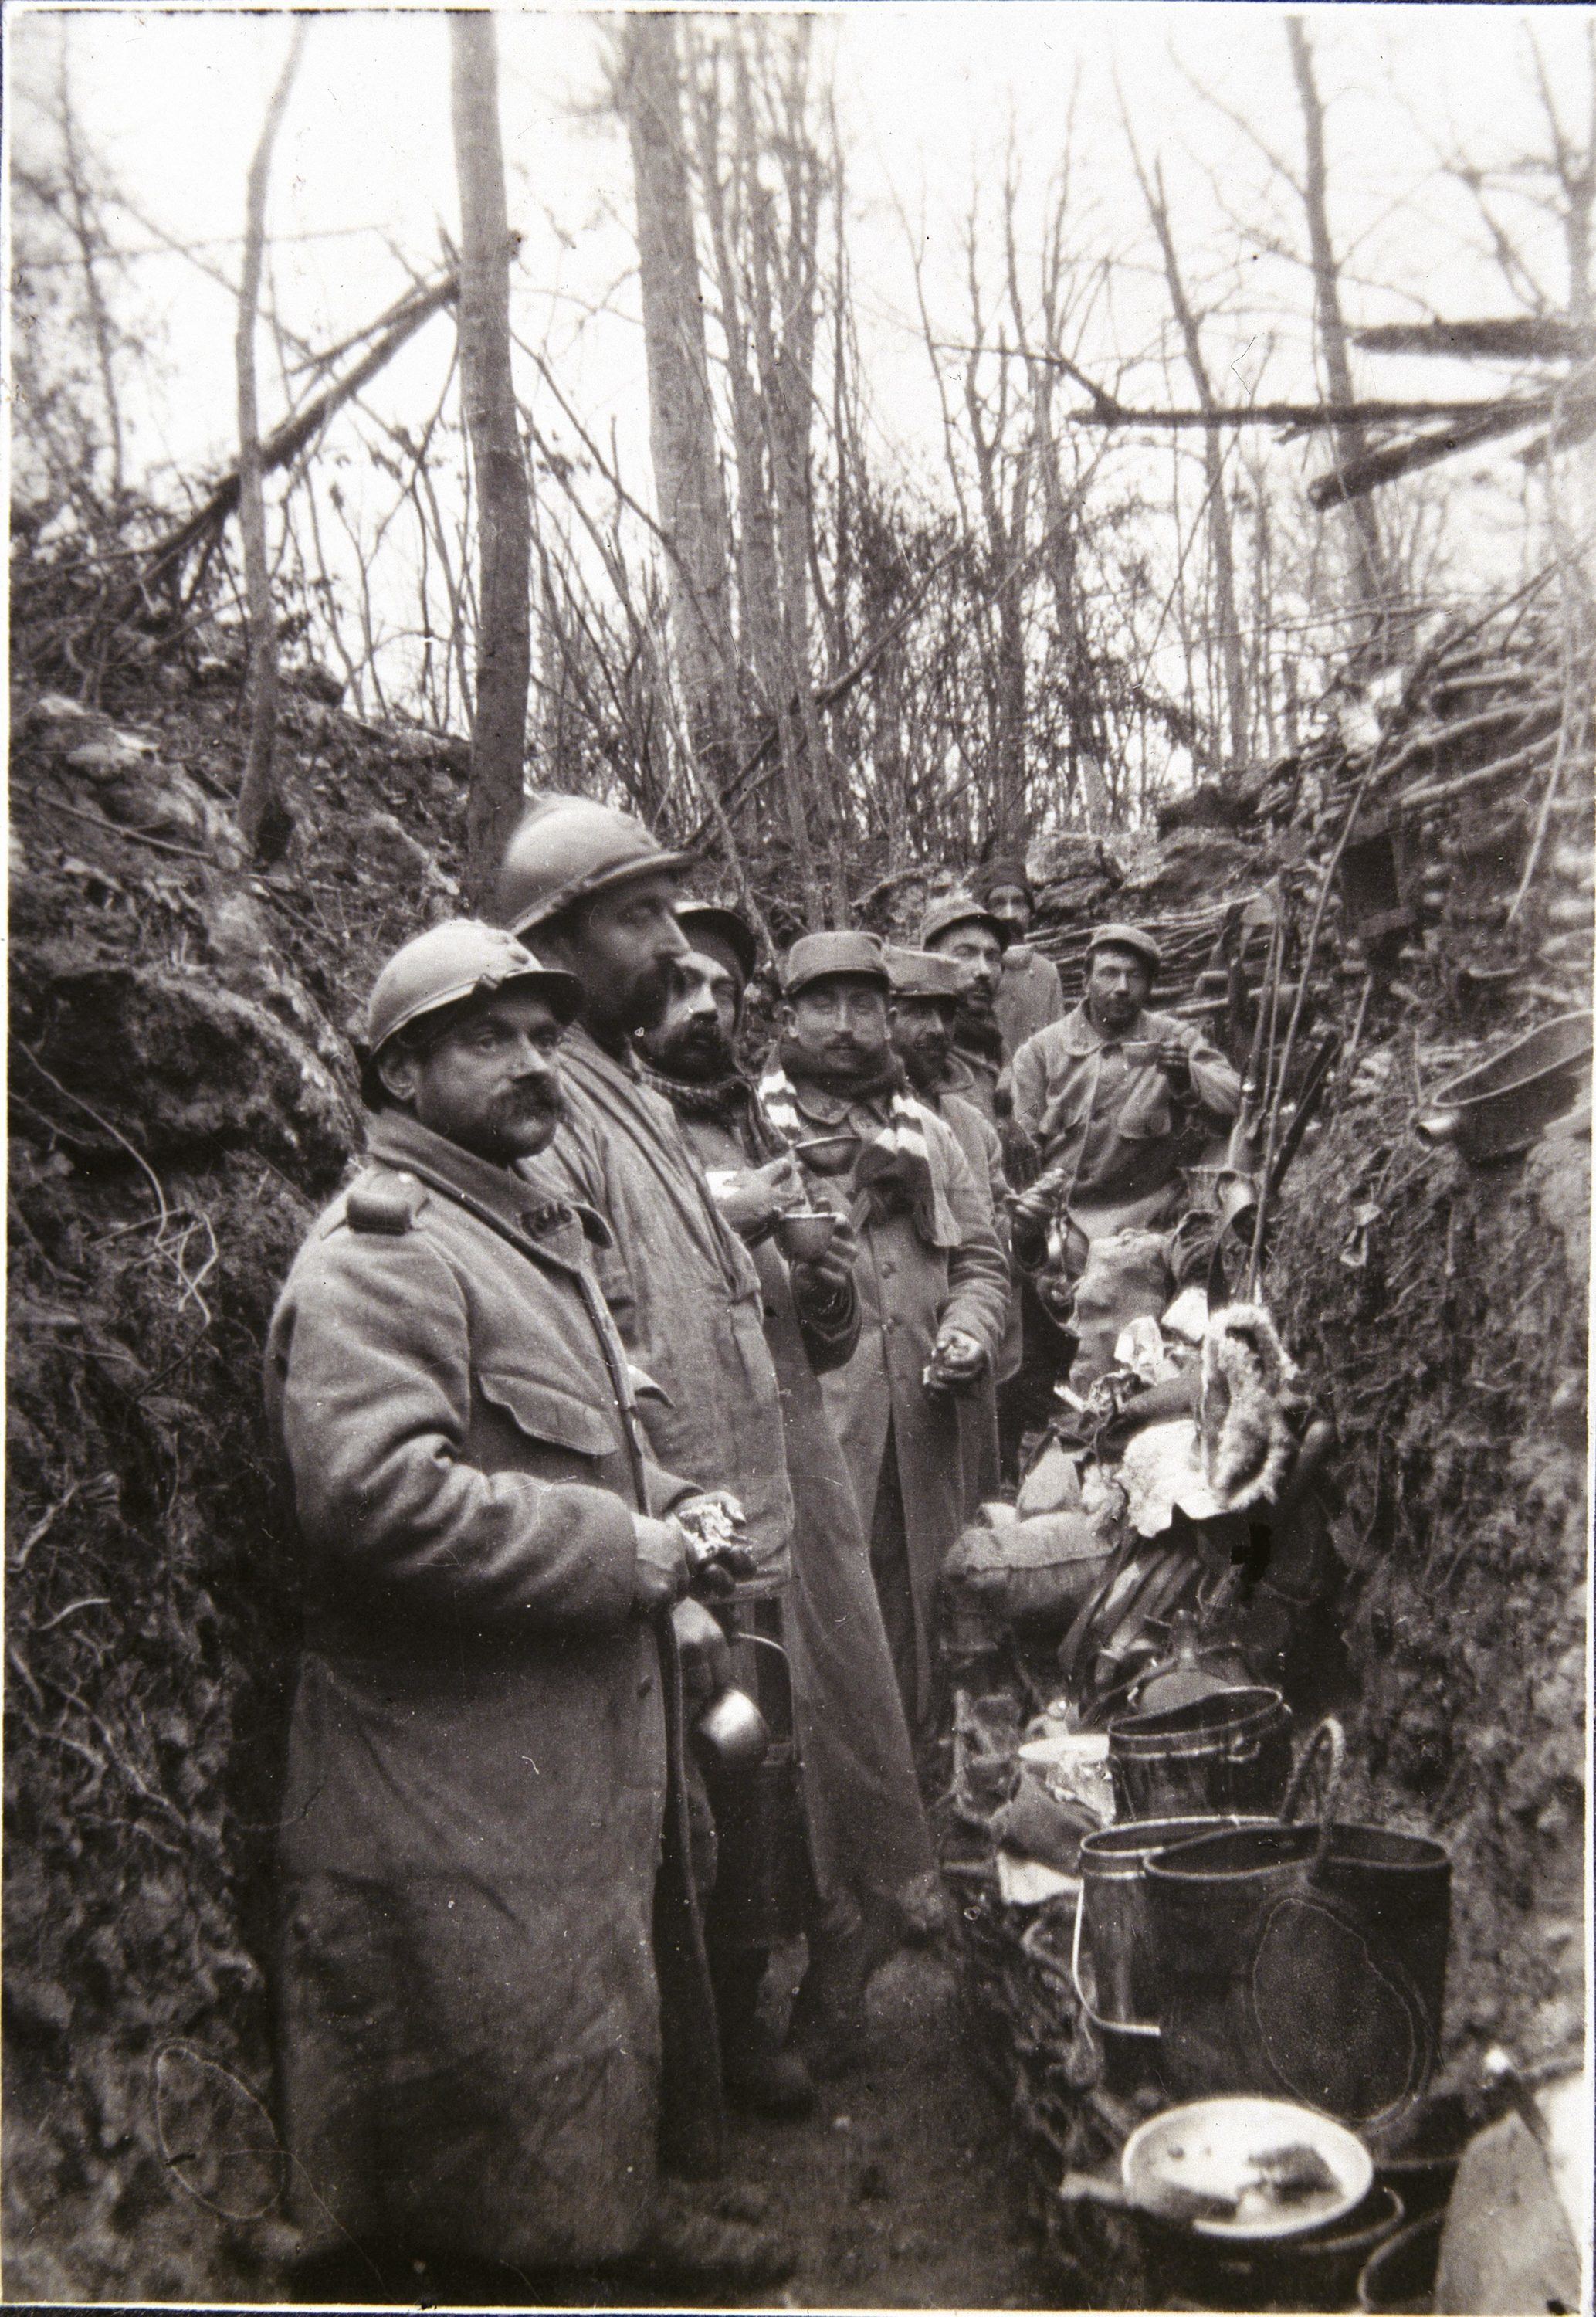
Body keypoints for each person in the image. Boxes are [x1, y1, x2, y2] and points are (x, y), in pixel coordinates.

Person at [265, 921, 791, 2297]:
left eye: (541, 1036)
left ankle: (620, 2218)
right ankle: (550, 2258)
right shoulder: (381, 1255)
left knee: (589, 1984)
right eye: (484, 1040)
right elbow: (376, 1501)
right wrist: (622, 1550)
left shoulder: (519, 1223)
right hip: (448, 1744)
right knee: (499, 2018)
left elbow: (577, 1432)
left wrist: (671, 1502)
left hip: (550, 1717)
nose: (529, 1062)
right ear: (398, 1077)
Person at [490, 802, 842, 2116]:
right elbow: (594, 1345)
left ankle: (737, 2031)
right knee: (689, 1806)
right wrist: (670, 1543)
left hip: (732, 1504)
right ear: (554, 942)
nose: (666, 948)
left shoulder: (623, 1077)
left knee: (749, 1775)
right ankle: (687, 2081)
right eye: (635, 919)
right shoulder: (551, 1100)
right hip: (671, 1517)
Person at [637, 902, 946, 2056]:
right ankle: (724, 2017)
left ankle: (838, 1961)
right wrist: (740, 1221)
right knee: (727, 1735)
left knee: (834, 1698)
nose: (701, 1010)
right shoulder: (612, 1126)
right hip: (680, 1462)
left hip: (787, 1444)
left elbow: (822, 1330)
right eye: (676, 989)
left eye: (718, 991)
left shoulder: (728, 1125)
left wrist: (811, 1265)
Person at [760, 931, 1009, 1742]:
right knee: (828, 1636)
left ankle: (935, 1786)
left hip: (928, 1428)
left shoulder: (930, 1133)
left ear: (888, 1015)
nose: (844, 1024)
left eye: (864, 1006)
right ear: (789, 1018)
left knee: (934, 1614)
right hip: (819, 1438)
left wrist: (968, 1331)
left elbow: (980, 1260)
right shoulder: (756, 1135)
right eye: (823, 1005)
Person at [1010, 921, 1242, 1241]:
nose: (1122, 987)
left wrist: (1188, 1076)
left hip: (1147, 1219)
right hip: (1063, 1219)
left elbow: (1234, 1100)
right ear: (1086, 981)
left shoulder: (1176, 1040)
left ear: (1149, 986)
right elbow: (1024, 1133)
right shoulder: (1041, 1053)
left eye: (1134, 976)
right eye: (1109, 973)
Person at [886, 945, 1017, 1504]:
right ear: (881, 1015)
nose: (937, 1029)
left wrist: (971, 1332)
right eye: (918, 1012)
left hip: (956, 1371)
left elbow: (988, 1247)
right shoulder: (808, 1116)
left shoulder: (971, 1127)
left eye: (945, 1014)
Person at [917, 894, 1008, 1117]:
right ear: (930, 959)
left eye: (993, 957)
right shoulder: (918, 1053)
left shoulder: (998, 1046)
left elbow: (1030, 1112)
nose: (984, 970)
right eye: (965, 954)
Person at [974, 857, 1066, 1060]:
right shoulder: (972, 971)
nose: (1009, 915)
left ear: (1030, 912)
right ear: (982, 913)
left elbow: (1058, 1052)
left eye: (1018, 902)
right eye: (998, 904)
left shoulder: (1046, 973)